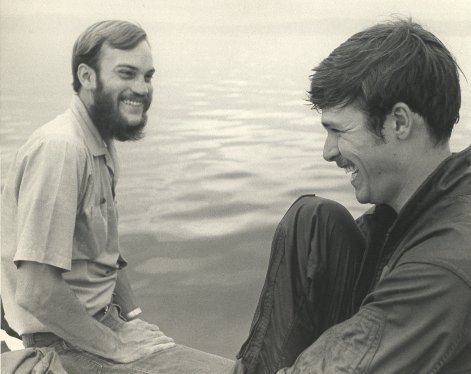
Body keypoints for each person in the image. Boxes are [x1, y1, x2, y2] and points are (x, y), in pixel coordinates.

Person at [232, 19, 471, 373]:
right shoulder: (415, 205)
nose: (328, 152)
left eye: (338, 130)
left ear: (400, 123)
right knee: (312, 221)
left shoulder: (447, 257)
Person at [1, 20, 233, 373]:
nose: (141, 89)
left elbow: (105, 251)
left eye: (148, 76)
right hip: (65, 345)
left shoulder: (101, 143)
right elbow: (36, 290)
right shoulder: (62, 150)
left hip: (100, 326)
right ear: (87, 76)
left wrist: (133, 319)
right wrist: (115, 346)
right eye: (127, 74)